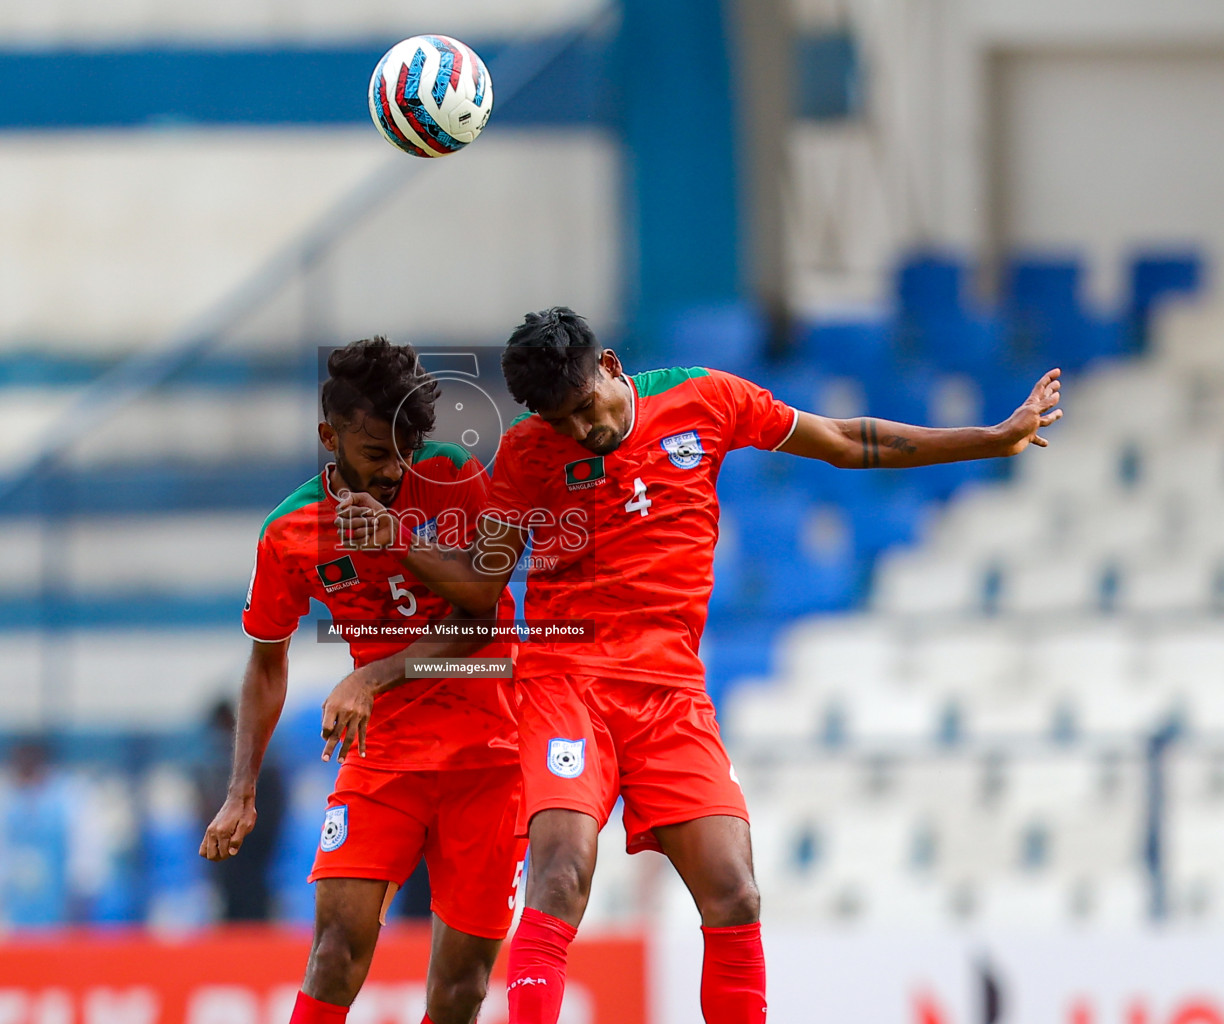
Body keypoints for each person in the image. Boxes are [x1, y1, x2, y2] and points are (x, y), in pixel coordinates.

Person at [337, 307, 1063, 1024]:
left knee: (736, 894)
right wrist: (400, 539)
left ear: (612, 365)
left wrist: (992, 440)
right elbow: (482, 589)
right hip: (567, 685)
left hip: (672, 693)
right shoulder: (528, 453)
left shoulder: (706, 398)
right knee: (559, 878)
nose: (582, 431)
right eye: (563, 421)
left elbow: (841, 439)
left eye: (587, 407)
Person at [201, 337, 526, 1024]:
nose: (392, 471)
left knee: (461, 986)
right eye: (376, 453)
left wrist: (375, 669)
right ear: (330, 437)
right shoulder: (289, 532)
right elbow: (266, 664)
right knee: (335, 952)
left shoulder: (455, 474)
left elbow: (484, 610)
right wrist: (241, 792)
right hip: (383, 762)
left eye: (405, 452)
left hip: (488, 755)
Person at [0, 738, 108, 931]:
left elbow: (86, 848)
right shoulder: (3, 801)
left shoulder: (70, 796)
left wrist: (82, 889)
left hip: (61, 906)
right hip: (15, 908)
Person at [195, 700, 283, 921]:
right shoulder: (211, 767)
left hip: (254, 859)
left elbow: (274, 815)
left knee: (252, 907)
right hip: (224, 865)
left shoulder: (263, 765)